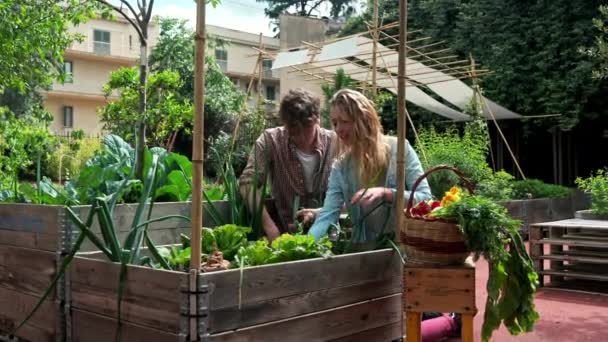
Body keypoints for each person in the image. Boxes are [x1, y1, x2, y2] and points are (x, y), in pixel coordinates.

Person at [307, 89, 432, 242]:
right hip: (366, 252)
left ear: (364, 119)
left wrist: (387, 193)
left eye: (344, 121)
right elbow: (327, 216)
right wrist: (305, 246)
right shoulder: (341, 168)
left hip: (405, 246)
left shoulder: (399, 150)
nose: (338, 129)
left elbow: (426, 199)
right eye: (334, 123)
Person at [239, 88, 338, 242]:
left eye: (307, 130)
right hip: (286, 235)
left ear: (318, 119)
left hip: (328, 237)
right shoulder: (270, 141)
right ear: (285, 125)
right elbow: (247, 184)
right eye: (294, 133)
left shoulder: (335, 142)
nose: (302, 138)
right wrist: (269, 226)